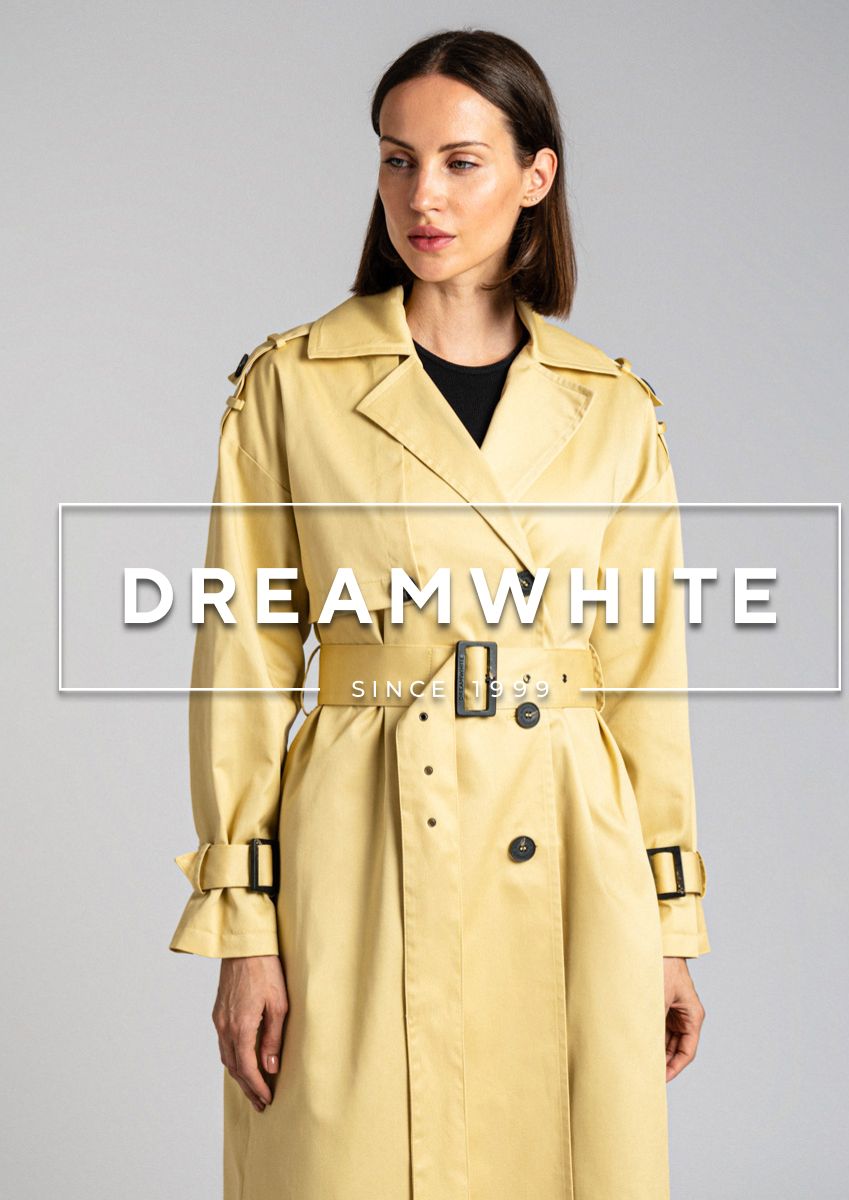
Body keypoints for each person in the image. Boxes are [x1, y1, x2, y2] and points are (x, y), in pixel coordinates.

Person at [169, 28, 709, 1200]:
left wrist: (671, 923)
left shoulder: (614, 408)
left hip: (572, 854)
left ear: (536, 176)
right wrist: (243, 925)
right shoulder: (293, 386)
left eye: (463, 162)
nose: (423, 196)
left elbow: (645, 676)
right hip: (359, 844)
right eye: (397, 159)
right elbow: (243, 661)